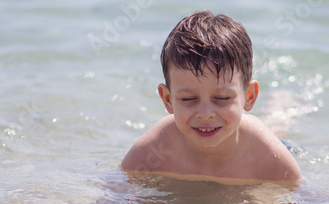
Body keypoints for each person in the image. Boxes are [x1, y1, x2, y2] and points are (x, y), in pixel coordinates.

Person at [121, 10, 302, 183]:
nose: (205, 113)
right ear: (168, 99)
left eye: (222, 98)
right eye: (188, 99)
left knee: (275, 128)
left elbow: (298, 201)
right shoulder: (156, 148)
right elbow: (117, 194)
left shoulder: (267, 154)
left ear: (249, 96)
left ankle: (281, 103)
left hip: (266, 140)